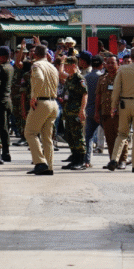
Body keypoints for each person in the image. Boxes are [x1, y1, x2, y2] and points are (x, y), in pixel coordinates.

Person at [25, 45, 60, 175]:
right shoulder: (52, 67)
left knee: (30, 133)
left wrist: (34, 96)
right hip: (53, 103)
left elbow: (39, 78)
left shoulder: (36, 65)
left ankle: (40, 163)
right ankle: (49, 166)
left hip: (42, 102)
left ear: (35, 54)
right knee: (47, 137)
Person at [60, 56, 88, 170]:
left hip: (76, 112)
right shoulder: (69, 78)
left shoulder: (79, 79)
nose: (65, 67)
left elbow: (84, 94)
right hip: (68, 112)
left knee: (78, 136)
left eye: (67, 65)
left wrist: (82, 110)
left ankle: (81, 160)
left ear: (73, 66)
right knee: (70, 136)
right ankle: (75, 159)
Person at [82, 53, 104, 167]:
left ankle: (87, 160)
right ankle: (115, 159)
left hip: (89, 110)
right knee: (111, 135)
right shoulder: (103, 77)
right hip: (102, 110)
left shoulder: (85, 77)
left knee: (88, 137)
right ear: (101, 65)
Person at [0, 46, 14, 163]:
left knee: (2, 127)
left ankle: (5, 152)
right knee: (5, 127)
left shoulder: (0, 69)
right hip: (7, 100)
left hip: (0, 101)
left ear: (2, 57)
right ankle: (5, 151)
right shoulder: (10, 67)